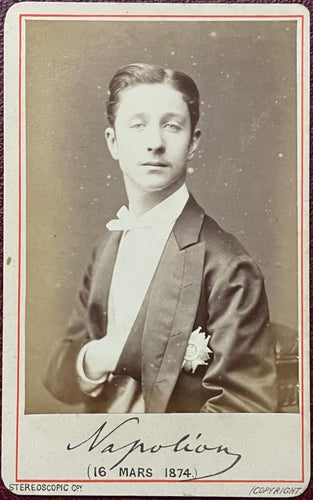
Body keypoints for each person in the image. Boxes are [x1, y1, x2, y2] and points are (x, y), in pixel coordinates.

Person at [44, 63, 278, 413]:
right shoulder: (106, 249)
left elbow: (245, 413)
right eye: (137, 126)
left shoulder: (227, 266)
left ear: (193, 141)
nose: (155, 143)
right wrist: (100, 355)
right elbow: (59, 378)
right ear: (113, 142)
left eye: (172, 126)